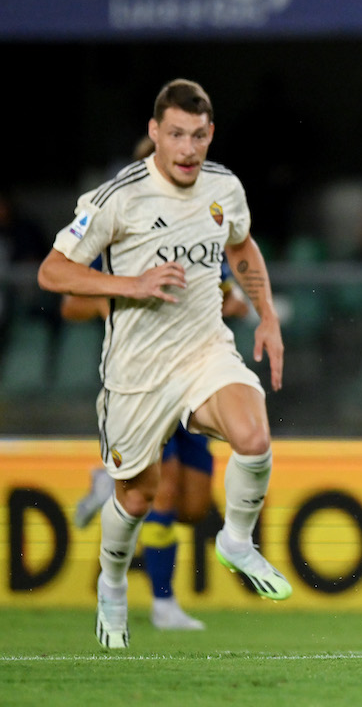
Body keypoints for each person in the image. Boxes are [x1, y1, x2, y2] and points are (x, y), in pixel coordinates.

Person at [38, 79, 290, 649]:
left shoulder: (225, 185)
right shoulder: (117, 197)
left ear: (210, 135)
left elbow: (243, 247)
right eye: (176, 134)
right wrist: (131, 283)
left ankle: (237, 542)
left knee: (253, 436)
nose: (187, 148)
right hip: (137, 374)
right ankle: (112, 585)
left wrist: (267, 316)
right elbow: (52, 272)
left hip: (204, 352)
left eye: (198, 136)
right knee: (137, 497)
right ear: (155, 133)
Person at [71, 254, 252, 631]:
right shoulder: (123, 247)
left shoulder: (202, 247)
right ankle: (164, 604)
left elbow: (232, 297)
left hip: (192, 383)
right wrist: (115, 300)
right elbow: (71, 302)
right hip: (140, 385)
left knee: (192, 507)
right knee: (164, 490)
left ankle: (113, 486)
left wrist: (231, 301)